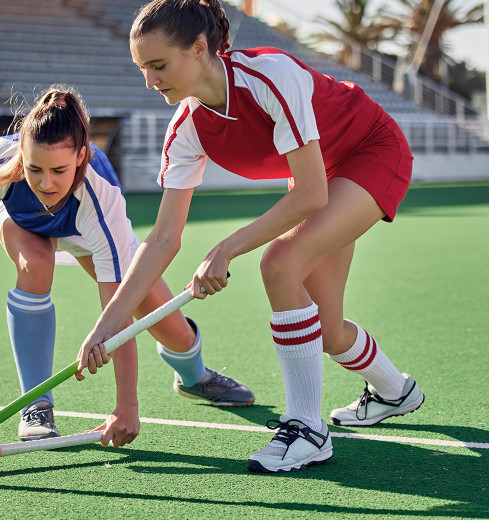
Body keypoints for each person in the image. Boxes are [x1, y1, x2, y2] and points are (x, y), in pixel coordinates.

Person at [76, 0, 424, 472]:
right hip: (319, 174)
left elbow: (311, 196)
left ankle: (307, 429)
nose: (150, 80)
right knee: (325, 329)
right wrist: (107, 326)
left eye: (158, 65)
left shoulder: (269, 77)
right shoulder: (186, 128)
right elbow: (161, 239)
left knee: (278, 264)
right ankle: (394, 390)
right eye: (142, 68)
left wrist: (225, 249)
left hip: (370, 153)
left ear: (199, 49)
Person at [0, 85, 254, 448]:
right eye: (34, 168)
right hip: (24, 224)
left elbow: (119, 306)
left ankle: (194, 377)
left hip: (86, 232)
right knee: (34, 266)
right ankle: (36, 405)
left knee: (170, 327)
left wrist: (126, 405)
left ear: (81, 156)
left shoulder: (101, 194)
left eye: (58, 170)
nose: (45, 182)